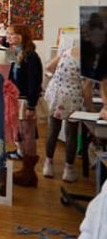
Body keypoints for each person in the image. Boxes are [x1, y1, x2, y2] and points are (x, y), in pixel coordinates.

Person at [7, 24, 43, 187]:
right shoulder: (15, 53)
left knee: (28, 134)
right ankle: (26, 169)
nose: (9, 37)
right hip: (17, 99)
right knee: (22, 133)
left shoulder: (31, 56)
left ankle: (29, 172)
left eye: (12, 34)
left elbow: (34, 82)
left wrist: (31, 105)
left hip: (26, 101)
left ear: (22, 36)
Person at [43, 48, 86, 182]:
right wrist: (90, 108)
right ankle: (68, 170)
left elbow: (49, 67)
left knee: (52, 130)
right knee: (71, 133)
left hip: (57, 94)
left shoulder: (67, 50)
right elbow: (86, 89)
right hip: (74, 97)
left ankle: (48, 165)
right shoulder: (91, 58)